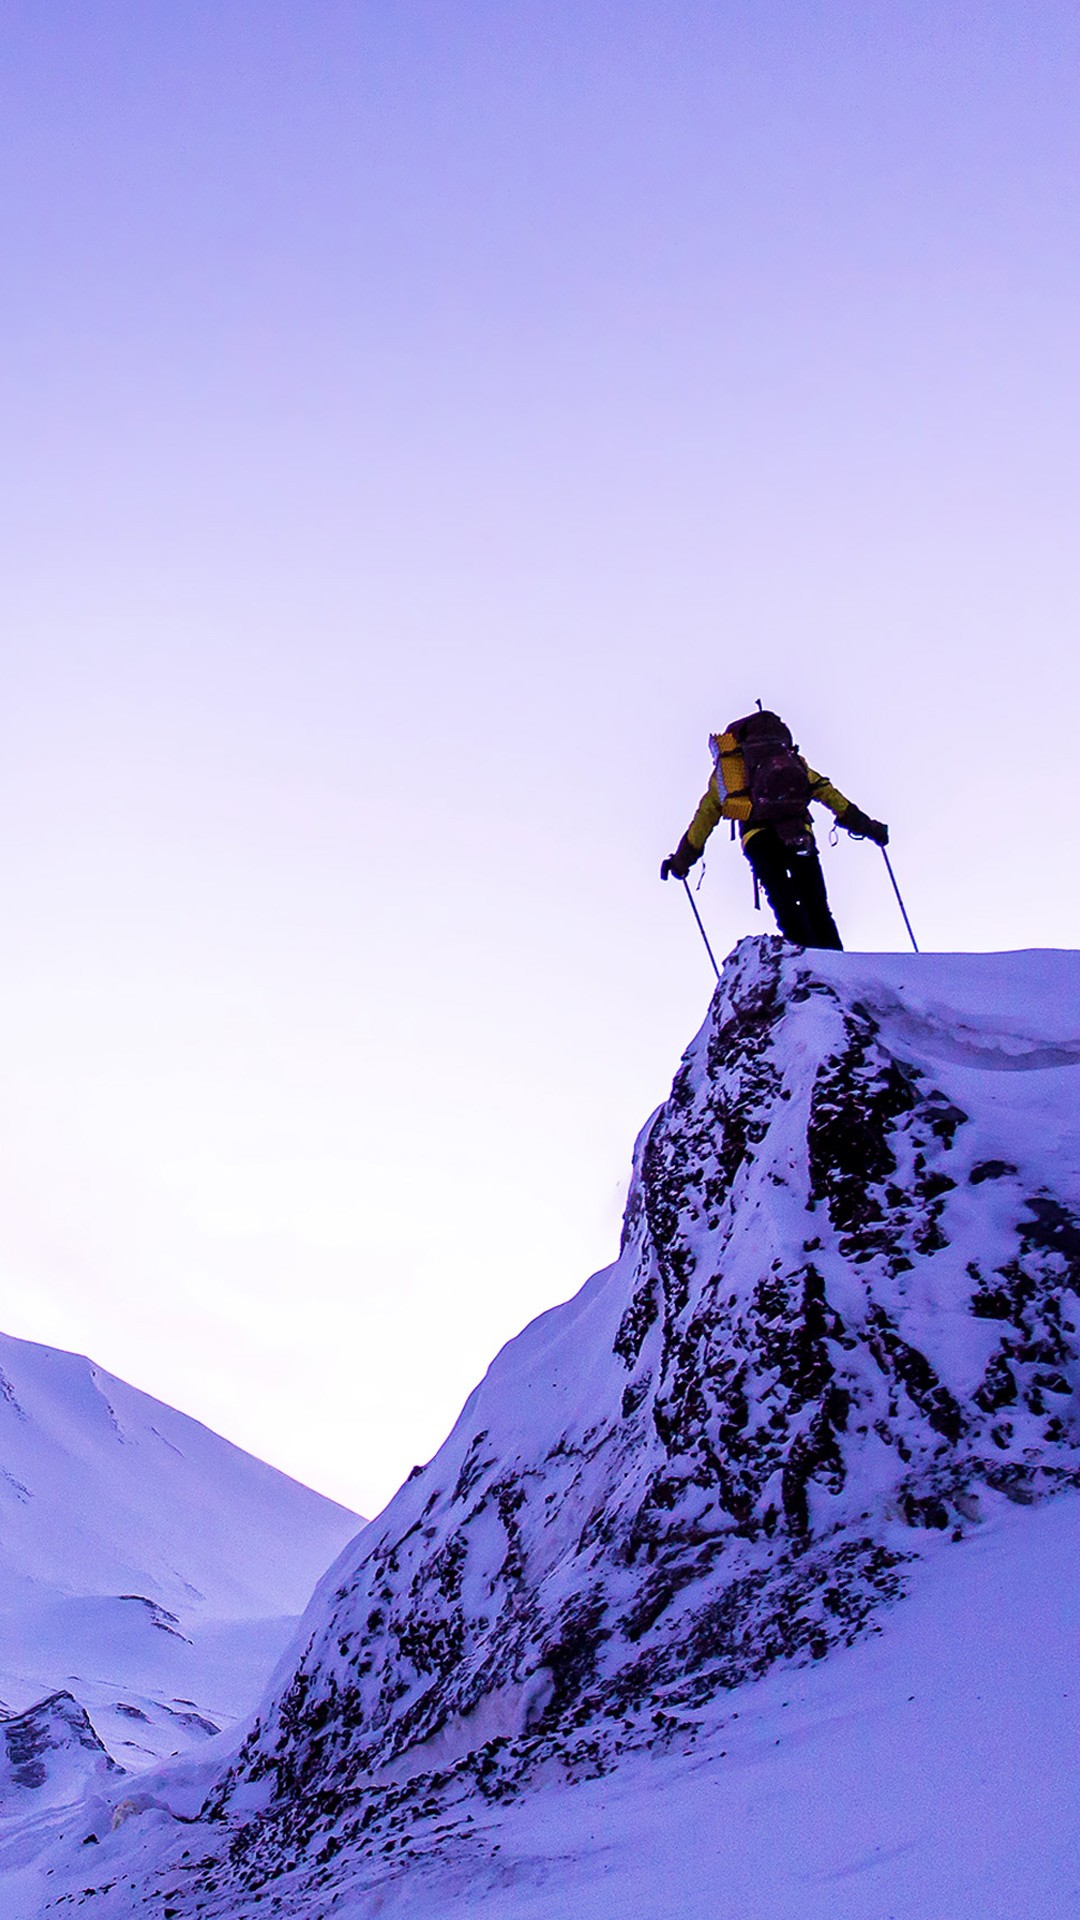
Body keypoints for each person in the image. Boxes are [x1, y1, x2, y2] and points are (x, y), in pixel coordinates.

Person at [661, 711, 888, 951]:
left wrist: (680, 862)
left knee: (784, 902)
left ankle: (806, 962)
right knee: (816, 904)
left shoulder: (730, 773)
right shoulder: (792, 761)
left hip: (758, 839)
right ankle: (837, 966)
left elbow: (704, 818)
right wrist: (868, 827)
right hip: (799, 833)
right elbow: (829, 794)